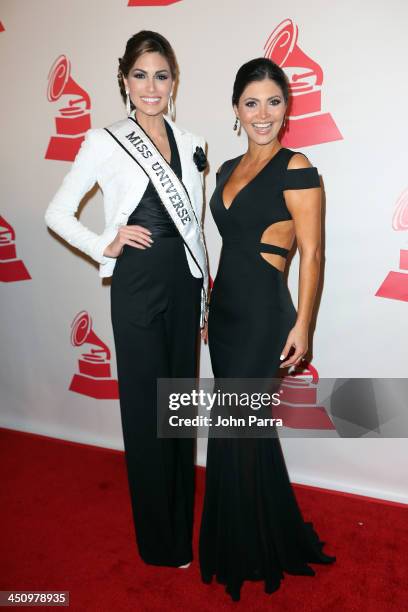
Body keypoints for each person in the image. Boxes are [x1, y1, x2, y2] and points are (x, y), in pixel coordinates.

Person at [45, 31, 209, 569]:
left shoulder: (190, 144)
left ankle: (181, 532)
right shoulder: (104, 140)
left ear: (174, 80)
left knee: (178, 413)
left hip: (184, 289)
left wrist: (204, 296)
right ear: (124, 80)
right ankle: (159, 543)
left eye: (161, 75)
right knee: (145, 413)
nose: (152, 86)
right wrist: (104, 243)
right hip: (137, 287)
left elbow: (199, 229)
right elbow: (57, 213)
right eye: (141, 75)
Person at [199, 58, 335, 601]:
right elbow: (225, 249)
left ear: (287, 109)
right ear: (236, 109)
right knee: (240, 431)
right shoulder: (227, 166)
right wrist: (209, 311)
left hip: (263, 318)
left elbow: (314, 253)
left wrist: (303, 324)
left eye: (273, 102)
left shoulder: (296, 166)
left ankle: (249, 548)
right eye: (251, 103)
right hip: (226, 313)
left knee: (238, 429)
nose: (263, 113)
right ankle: (255, 533)